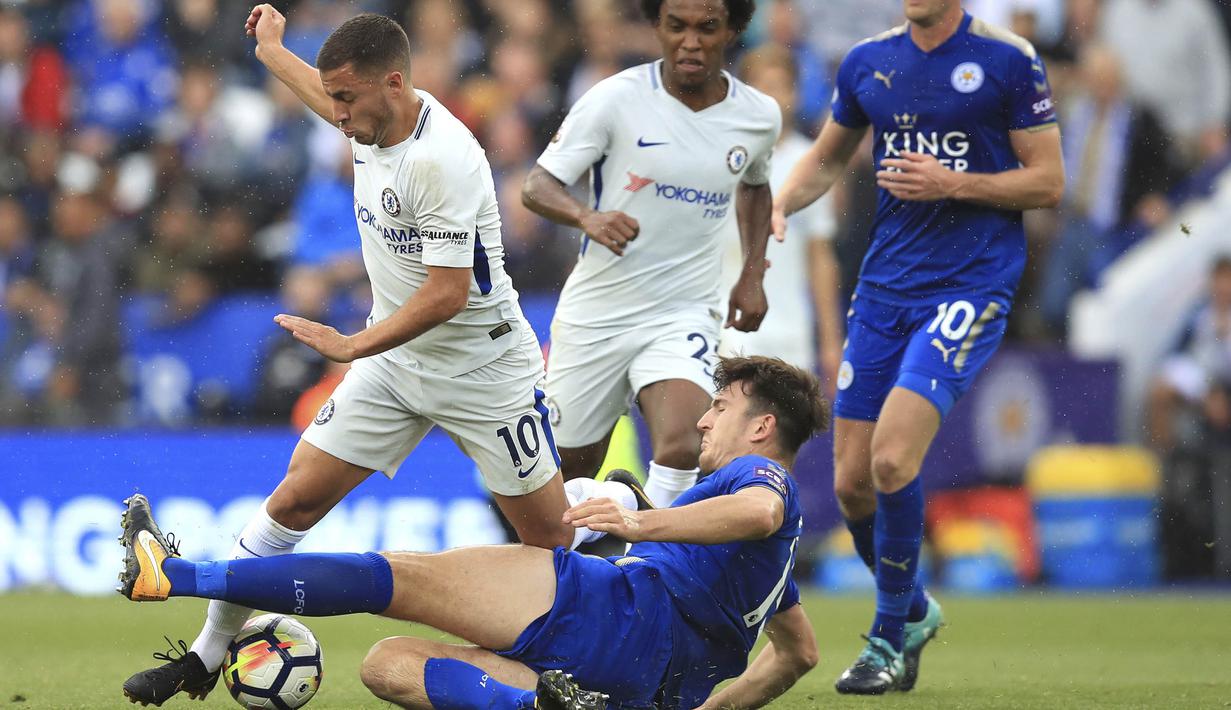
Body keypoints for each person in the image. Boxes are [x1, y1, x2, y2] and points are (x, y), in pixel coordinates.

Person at [120, 6, 637, 705]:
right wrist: (272, 51)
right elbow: (320, 91)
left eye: (346, 98)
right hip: (395, 366)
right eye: (332, 98)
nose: (335, 114)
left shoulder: (443, 157)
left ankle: (612, 510)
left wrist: (351, 344)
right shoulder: (364, 117)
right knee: (295, 499)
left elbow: (448, 294)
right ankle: (205, 659)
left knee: (546, 540)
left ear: (392, 84)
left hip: (481, 369)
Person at [119, 355, 825, 710]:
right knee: (387, 663)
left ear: (761, 428)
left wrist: (639, 519)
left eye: (722, 407)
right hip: (639, 690)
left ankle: (174, 576)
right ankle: (535, 706)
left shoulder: (762, 484)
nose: (704, 420)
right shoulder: (770, 569)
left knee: (392, 577)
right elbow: (798, 654)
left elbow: (759, 509)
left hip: (614, 612)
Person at [774, 0, 1064, 695]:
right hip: (882, 290)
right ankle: (914, 610)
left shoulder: (1007, 59)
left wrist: (953, 183)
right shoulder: (868, 62)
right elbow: (825, 158)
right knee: (848, 482)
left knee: (891, 458)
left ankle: (885, 637)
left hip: (969, 284)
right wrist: (779, 206)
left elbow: (1048, 181)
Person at [521, 0, 781, 509]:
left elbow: (755, 185)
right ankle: (558, 572)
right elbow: (537, 185)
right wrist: (587, 217)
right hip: (598, 310)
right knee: (569, 469)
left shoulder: (757, 115)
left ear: (733, 30)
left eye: (707, 28)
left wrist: (752, 273)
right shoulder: (615, 99)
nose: (691, 41)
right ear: (657, 27)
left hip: (683, 308)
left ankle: (653, 565)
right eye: (676, 26)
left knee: (687, 442)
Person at [720, 44, 843, 388]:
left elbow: (820, 256)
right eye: (761, 87)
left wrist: (831, 343)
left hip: (792, 333)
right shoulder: (722, 156)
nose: (772, 97)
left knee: (783, 438)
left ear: (796, 93)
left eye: (780, 86)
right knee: (727, 433)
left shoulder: (811, 164)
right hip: (725, 328)